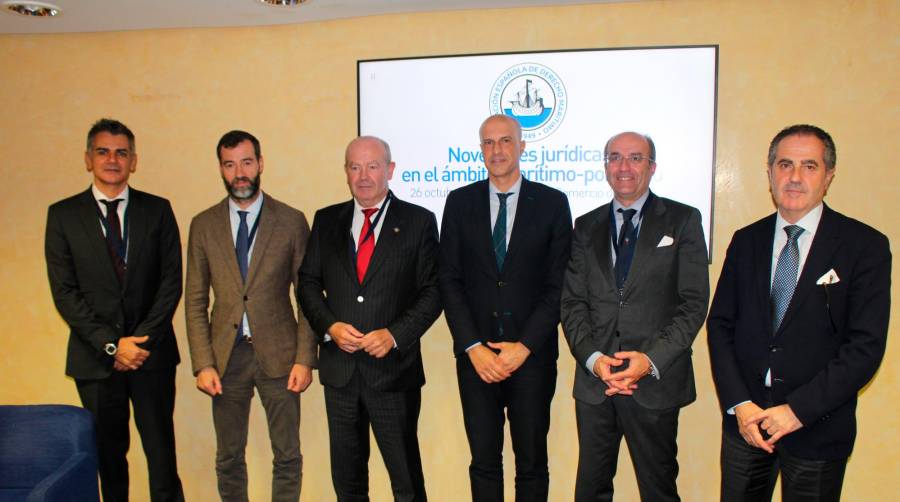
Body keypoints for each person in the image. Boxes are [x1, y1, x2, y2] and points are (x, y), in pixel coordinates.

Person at [707, 124, 891, 501]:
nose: (794, 177)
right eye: (785, 164)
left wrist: (797, 411)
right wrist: (740, 405)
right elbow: (721, 326)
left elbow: (865, 346)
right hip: (747, 426)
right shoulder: (746, 241)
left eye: (809, 166)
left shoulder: (864, 245)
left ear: (828, 176)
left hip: (818, 427)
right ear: (770, 172)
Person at [560, 131, 709, 501]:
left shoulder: (683, 220)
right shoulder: (585, 225)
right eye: (614, 158)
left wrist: (649, 360)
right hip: (597, 384)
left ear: (652, 167)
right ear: (605, 166)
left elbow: (693, 303)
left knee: (658, 490)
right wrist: (595, 361)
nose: (624, 167)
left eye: (635, 158)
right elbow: (573, 303)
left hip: (655, 383)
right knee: (590, 490)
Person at [45, 118, 185, 501]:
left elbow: (171, 282)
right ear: (88, 159)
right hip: (95, 360)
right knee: (108, 457)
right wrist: (112, 345)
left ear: (134, 161)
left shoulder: (157, 210)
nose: (112, 159)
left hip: (150, 356)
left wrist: (138, 343)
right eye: (103, 152)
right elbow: (65, 292)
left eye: (121, 152)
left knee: (161, 456)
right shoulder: (63, 216)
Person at [298, 136, 441, 502]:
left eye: (373, 166)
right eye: (355, 167)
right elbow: (309, 284)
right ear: (346, 172)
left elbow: (433, 291)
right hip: (340, 373)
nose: (364, 176)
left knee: (406, 481)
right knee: (347, 482)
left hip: (393, 372)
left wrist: (394, 335)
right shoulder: (326, 220)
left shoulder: (418, 222)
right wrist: (328, 325)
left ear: (390, 170)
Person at [439, 114, 572, 501]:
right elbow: (449, 280)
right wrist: (473, 346)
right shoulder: (459, 202)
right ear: (480, 149)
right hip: (476, 358)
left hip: (532, 357)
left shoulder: (552, 203)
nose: (497, 150)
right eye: (488, 143)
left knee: (531, 463)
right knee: (483, 461)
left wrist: (525, 346)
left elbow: (557, 285)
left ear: (521, 146)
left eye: (505, 141)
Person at [184, 130, 317, 502]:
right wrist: (203, 363)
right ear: (221, 170)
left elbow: (306, 296)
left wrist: (305, 358)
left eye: (246, 162)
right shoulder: (203, 225)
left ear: (260, 163)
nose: (239, 172)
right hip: (225, 359)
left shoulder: (290, 221)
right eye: (229, 164)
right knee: (228, 458)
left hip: (280, 357)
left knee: (287, 455)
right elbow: (194, 299)